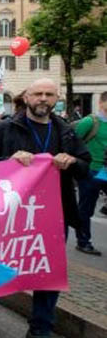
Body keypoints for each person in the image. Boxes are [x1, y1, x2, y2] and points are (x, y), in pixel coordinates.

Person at [0, 79, 90, 338]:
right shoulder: (5, 128)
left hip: (54, 213)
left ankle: (39, 331)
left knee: (48, 270)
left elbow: (86, 167)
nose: (43, 98)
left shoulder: (66, 130)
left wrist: (73, 162)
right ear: (26, 97)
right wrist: (8, 161)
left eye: (49, 94)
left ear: (57, 98)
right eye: (37, 93)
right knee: (3, 263)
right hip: (13, 213)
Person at [72, 91, 107, 256]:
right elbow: (73, 141)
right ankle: (83, 241)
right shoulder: (90, 121)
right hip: (91, 169)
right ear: (101, 103)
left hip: (105, 170)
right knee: (86, 208)